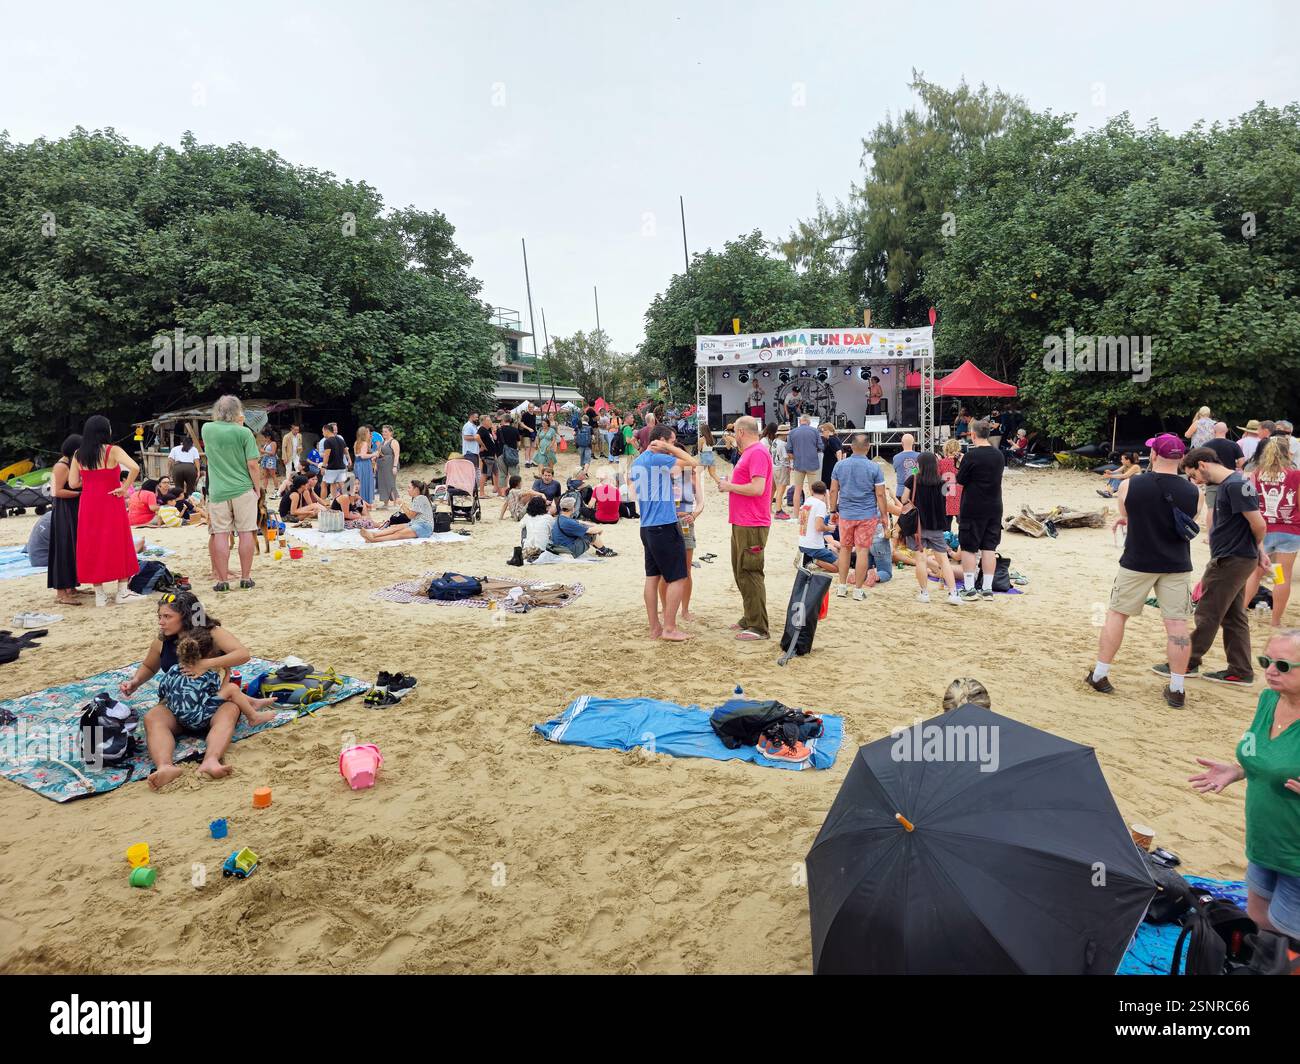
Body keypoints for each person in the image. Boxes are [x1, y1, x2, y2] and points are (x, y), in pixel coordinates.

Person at [1189, 629, 1300, 942]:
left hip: (1297, 854)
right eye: (1266, 661)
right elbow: (1264, 757)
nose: (1270, 670)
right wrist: (1239, 770)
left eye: (1283, 665)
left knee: (1289, 940)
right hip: (1264, 841)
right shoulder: (1268, 700)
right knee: (1258, 922)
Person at [1086, 434, 1199, 706]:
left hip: (1137, 559)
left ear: (1155, 455)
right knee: (1177, 625)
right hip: (1176, 563)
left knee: (1117, 614)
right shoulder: (1194, 491)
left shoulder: (1131, 484)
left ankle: (1100, 674)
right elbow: (1189, 520)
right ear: (1181, 458)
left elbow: (1127, 513)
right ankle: (1177, 687)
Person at [119, 591, 253, 788]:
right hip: (177, 707)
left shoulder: (211, 633)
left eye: (167, 616)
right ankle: (165, 767)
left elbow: (243, 654)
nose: (161, 622)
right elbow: (149, 666)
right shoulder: (162, 640)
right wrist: (135, 682)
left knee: (230, 709)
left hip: (211, 704)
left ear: (186, 616)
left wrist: (205, 664)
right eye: (159, 616)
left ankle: (211, 760)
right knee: (153, 717)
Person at [1176, 445, 1270, 685]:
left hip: (1231, 559)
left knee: (1208, 612)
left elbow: (1259, 524)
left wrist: (1257, 549)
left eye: (1193, 474)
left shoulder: (1235, 485)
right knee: (1234, 616)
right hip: (1237, 557)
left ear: (1202, 465)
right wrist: (1258, 551)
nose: (1194, 481)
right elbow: (1249, 523)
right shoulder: (1232, 484)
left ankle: (1186, 661)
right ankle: (1240, 670)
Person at [630, 424, 697, 642]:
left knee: (652, 578)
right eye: (672, 441)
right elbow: (692, 462)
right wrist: (669, 448)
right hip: (664, 525)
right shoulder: (658, 458)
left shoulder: (638, 461)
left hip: (647, 526)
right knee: (678, 577)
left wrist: (667, 447)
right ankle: (669, 628)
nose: (674, 445)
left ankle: (655, 628)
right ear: (660, 440)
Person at [68, 415, 143, 607]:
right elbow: (135, 467)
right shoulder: (113, 450)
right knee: (118, 541)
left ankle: (99, 594)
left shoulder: (78, 454)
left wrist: (91, 481)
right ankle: (122, 591)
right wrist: (124, 487)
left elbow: (73, 483)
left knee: (92, 544)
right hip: (111, 500)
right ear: (104, 431)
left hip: (89, 503)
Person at [201, 397, 261, 593]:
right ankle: (245, 578)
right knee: (246, 533)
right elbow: (253, 464)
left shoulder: (207, 429)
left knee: (220, 534)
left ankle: (222, 580)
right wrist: (257, 489)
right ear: (238, 411)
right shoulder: (244, 433)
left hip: (218, 490)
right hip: (243, 488)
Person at [1242, 437, 1300, 629]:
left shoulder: (1255, 474)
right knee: (1281, 576)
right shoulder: (1296, 475)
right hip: (1290, 530)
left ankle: (1239, 613)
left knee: (1255, 574)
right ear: (1287, 453)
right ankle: (1275, 622)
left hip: (1263, 530)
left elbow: (1248, 503)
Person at [829, 432, 888, 601]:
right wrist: (884, 515)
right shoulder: (874, 467)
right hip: (867, 515)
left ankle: (841, 586)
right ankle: (858, 589)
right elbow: (880, 494)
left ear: (851, 446)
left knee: (845, 549)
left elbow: (833, 490)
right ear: (868, 447)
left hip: (846, 514)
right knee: (862, 551)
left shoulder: (840, 466)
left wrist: (832, 510)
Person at [901, 451, 962, 605]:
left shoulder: (913, 479)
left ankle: (924, 593)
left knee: (921, 560)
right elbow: (948, 495)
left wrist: (914, 473)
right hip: (936, 527)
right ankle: (953, 593)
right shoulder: (942, 482)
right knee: (944, 560)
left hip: (918, 527)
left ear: (919, 464)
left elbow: (904, 499)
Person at [956, 419, 1005, 601]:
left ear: (973, 435)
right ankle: (987, 588)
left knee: (969, 547)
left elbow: (961, 479)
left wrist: (961, 463)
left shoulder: (971, 456)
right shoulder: (999, 455)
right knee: (989, 547)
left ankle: (969, 587)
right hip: (994, 505)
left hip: (973, 506)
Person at [664, 455, 704, 621]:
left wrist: (693, 515)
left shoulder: (691, 477)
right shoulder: (663, 475)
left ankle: (685, 610)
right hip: (666, 523)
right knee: (665, 570)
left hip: (685, 522)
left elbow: (701, 503)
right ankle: (666, 609)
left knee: (686, 570)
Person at [47, 433, 84, 607]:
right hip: (64, 511)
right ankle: (61, 593)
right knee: (63, 549)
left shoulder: (71, 464)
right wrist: (80, 493)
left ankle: (72, 587)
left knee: (73, 548)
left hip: (72, 509)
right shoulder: (61, 466)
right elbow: (56, 491)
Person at [360, 480, 436, 542]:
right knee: (395, 527)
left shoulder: (420, 498)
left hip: (425, 527)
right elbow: (412, 515)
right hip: (415, 523)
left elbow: (410, 516)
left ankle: (374, 539)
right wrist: (403, 504)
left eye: (409, 488)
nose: (407, 490)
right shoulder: (417, 498)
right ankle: (373, 535)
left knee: (399, 533)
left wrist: (402, 504)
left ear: (416, 489)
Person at [550, 497, 616, 558]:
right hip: (568, 550)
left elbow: (578, 522)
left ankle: (600, 549)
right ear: (572, 508)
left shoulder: (560, 518)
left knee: (587, 531)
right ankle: (603, 550)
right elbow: (590, 531)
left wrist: (591, 525)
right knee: (591, 535)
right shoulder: (569, 522)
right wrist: (599, 529)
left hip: (560, 547)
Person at [797, 480, 839, 573]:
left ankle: (810, 559)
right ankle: (813, 560)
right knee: (841, 567)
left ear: (812, 491)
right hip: (815, 547)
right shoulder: (820, 504)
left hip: (803, 544)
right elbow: (818, 527)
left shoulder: (808, 501)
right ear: (825, 492)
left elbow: (801, 521)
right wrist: (829, 528)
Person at [787, 414, 822, 516]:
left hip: (798, 464)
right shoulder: (815, 431)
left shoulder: (792, 432)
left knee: (797, 491)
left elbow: (789, 450)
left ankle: (796, 515)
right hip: (812, 464)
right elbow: (821, 446)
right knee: (814, 491)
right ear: (809, 422)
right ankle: (813, 514)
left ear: (800, 422)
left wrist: (796, 458)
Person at [763, 423, 791, 520]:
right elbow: (786, 457)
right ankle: (778, 510)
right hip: (782, 467)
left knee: (773, 489)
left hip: (774, 466)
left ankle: (768, 508)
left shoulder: (774, 441)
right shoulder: (783, 444)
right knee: (780, 490)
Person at [937, 438, 963, 530]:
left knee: (946, 526)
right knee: (963, 524)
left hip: (946, 495)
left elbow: (937, 478)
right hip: (960, 496)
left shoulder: (941, 462)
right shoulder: (962, 462)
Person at [318, 422, 348, 500]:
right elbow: (346, 451)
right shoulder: (341, 440)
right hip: (341, 466)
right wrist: (349, 460)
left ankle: (323, 503)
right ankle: (345, 501)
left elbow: (326, 455)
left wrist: (323, 466)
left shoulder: (327, 441)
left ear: (326, 430)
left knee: (324, 485)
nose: (322, 433)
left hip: (332, 467)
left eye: (323, 431)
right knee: (339, 485)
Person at [520, 495, 555, 560]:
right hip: (544, 548)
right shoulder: (548, 517)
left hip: (529, 548)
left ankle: (527, 545)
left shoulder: (527, 516)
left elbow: (520, 525)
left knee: (524, 527)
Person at [376, 425, 401, 509]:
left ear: (391, 432)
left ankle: (395, 503)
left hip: (390, 465)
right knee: (382, 483)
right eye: (383, 431)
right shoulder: (383, 442)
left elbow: (397, 455)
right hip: (382, 465)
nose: (383, 433)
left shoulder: (393, 442)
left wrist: (394, 466)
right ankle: (385, 503)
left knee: (391, 483)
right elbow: (379, 454)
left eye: (386, 431)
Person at [353, 426, 376, 505]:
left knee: (358, 481)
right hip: (364, 464)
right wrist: (374, 454)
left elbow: (357, 455)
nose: (369, 434)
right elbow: (363, 456)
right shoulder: (364, 443)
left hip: (357, 464)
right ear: (364, 434)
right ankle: (365, 501)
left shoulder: (356, 443)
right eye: (368, 432)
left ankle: (359, 500)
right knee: (364, 482)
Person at [819, 421, 844, 489]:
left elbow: (838, 451)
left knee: (829, 486)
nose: (822, 433)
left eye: (823, 431)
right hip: (831, 466)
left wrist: (839, 464)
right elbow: (843, 452)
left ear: (827, 431)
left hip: (830, 468)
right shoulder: (836, 438)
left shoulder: (831, 440)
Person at [460, 412, 482, 478]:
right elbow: (466, 437)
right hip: (469, 452)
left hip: (474, 452)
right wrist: (476, 438)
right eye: (476, 417)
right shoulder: (468, 426)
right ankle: (472, 484)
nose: (477, 419)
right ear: (471, 417)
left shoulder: (473, 426)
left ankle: (475, 484)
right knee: (471, 471)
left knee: (475, 470)